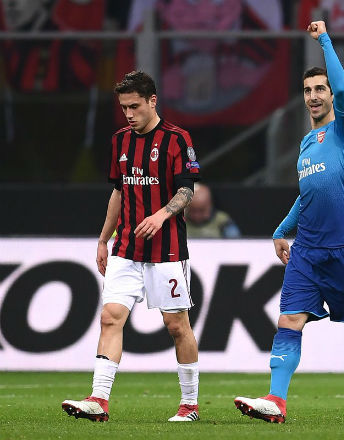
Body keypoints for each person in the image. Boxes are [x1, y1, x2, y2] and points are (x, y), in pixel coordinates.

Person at [233, 21, 344, 424]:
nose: (313, 96)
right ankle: (276, 400)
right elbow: (308, 193)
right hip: (307, 249)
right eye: (308, 90)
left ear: (331, 95)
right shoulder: (306, 144)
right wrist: (282, 230)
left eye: (320, 89)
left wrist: (324, 40)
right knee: (289, 320)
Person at [62, 71, 202, 423]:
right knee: (110, 317)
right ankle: (98, 399)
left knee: (176, 326)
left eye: (134, 106)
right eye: (124, 107)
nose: (128, 113)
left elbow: (187, 189)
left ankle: (190, 405)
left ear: (153, 101)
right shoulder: (120, 141)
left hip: (167, 250)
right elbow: (118, 191)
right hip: (125, 247)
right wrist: (103, 239)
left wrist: (161, 215)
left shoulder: (177, 139)